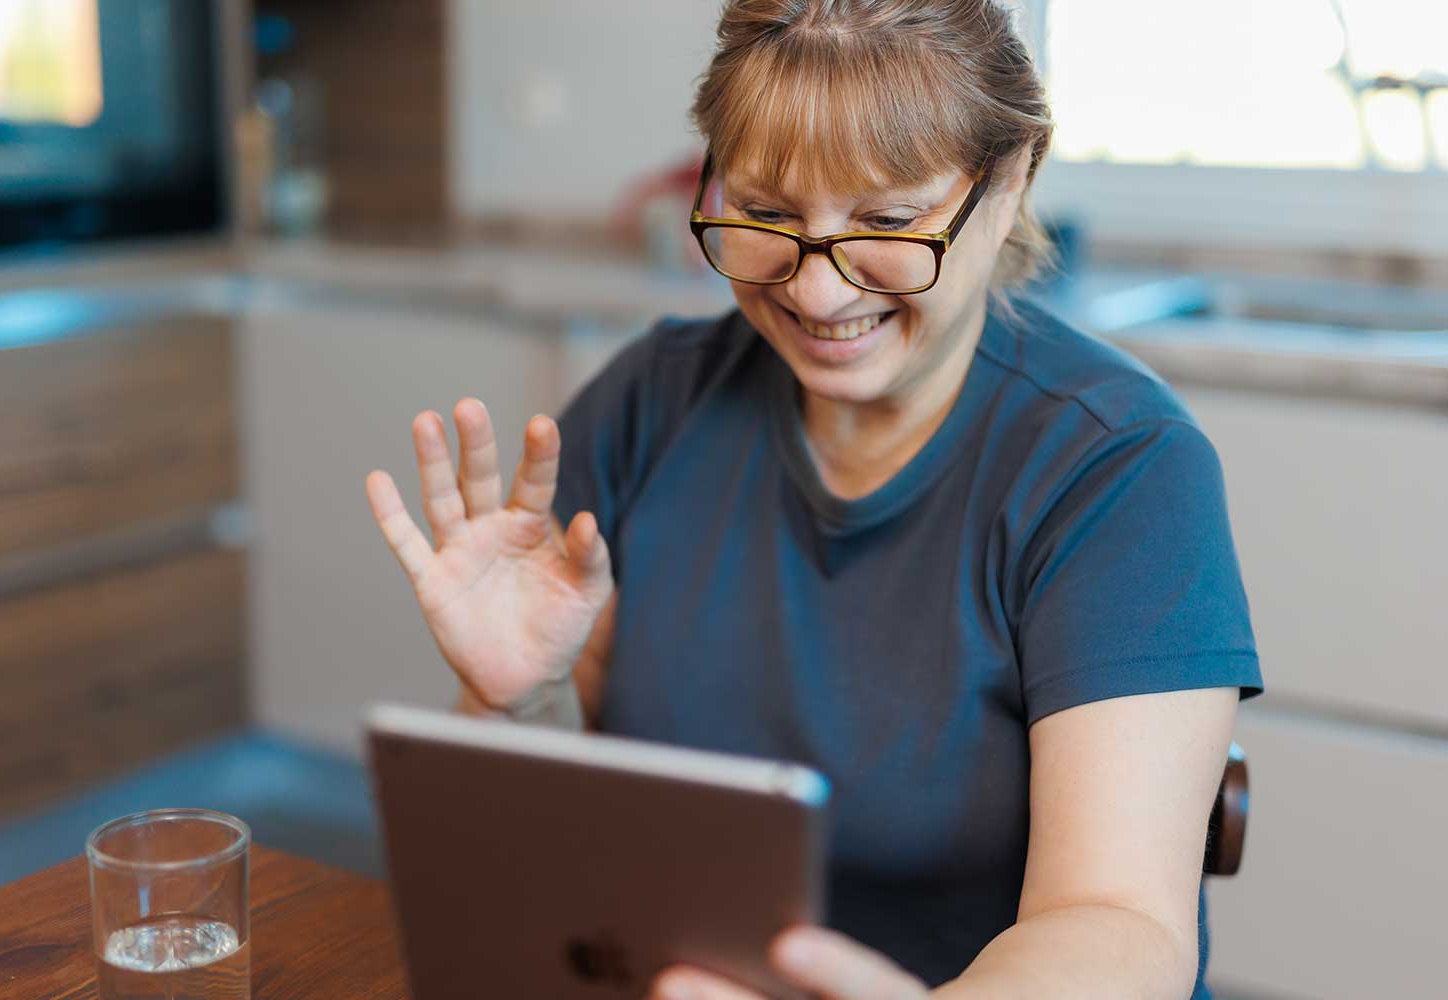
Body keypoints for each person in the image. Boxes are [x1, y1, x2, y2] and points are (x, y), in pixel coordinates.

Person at [364, 1, 1264, 997]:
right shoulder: (649, 401)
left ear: (1011, 184)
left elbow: (1121, 922)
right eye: (768, 214)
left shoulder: (1119, 469)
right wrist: (515, 695)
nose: (819, 294)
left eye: (885, 221)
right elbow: (536, 864)